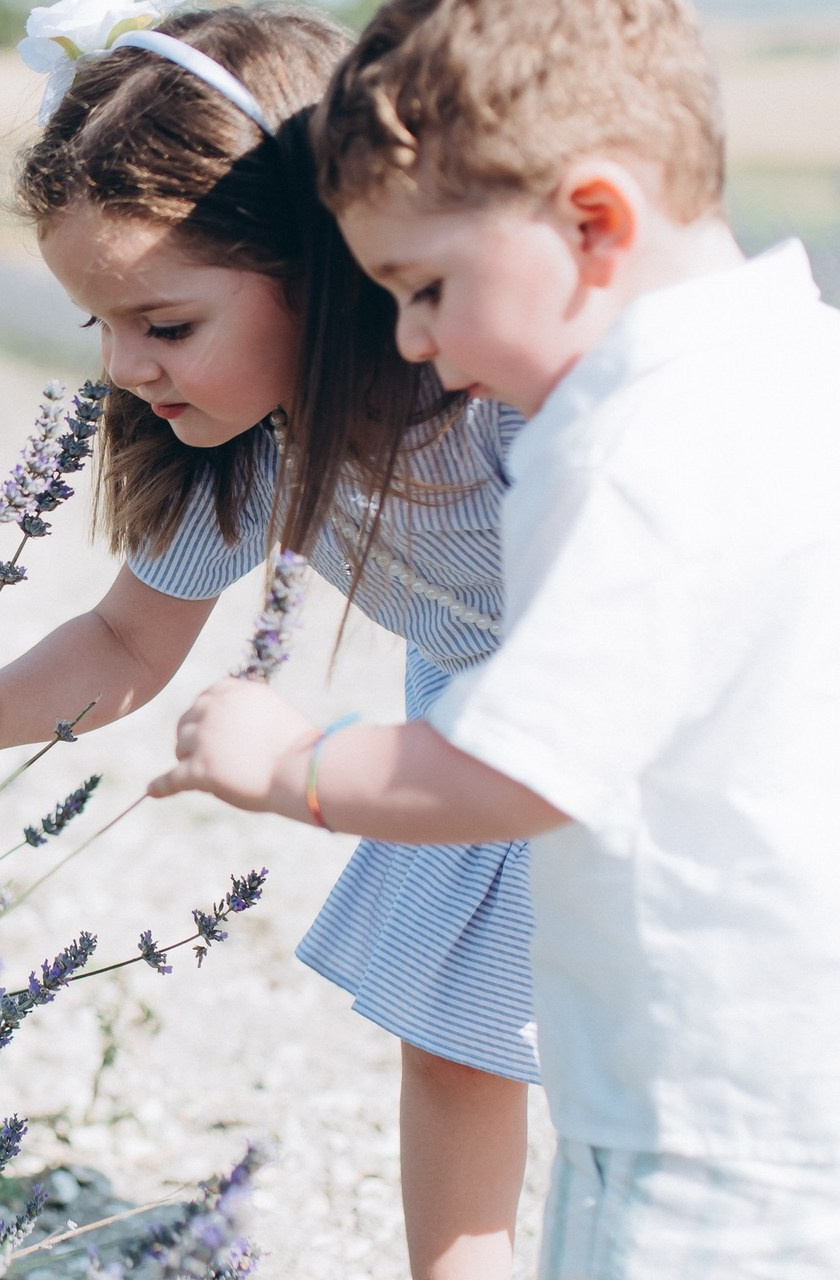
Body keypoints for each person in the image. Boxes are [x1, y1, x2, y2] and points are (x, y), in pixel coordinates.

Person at [149, 0, 840, 1275]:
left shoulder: (622, 447)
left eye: (425, 288)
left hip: (695, 1093)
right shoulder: (803, 368)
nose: (407, 339)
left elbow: (520, 763)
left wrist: (295, 761)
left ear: (592, 224)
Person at [0, 5, 537, 1276]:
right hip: (472, 710)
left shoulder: (486, 398)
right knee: (458, 1034)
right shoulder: (253, 449)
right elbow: (127, 635)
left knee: (665, 1036)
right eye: (102, 328)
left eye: (165, 325)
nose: (125, 366)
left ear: (327, 261)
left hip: (652, 707)